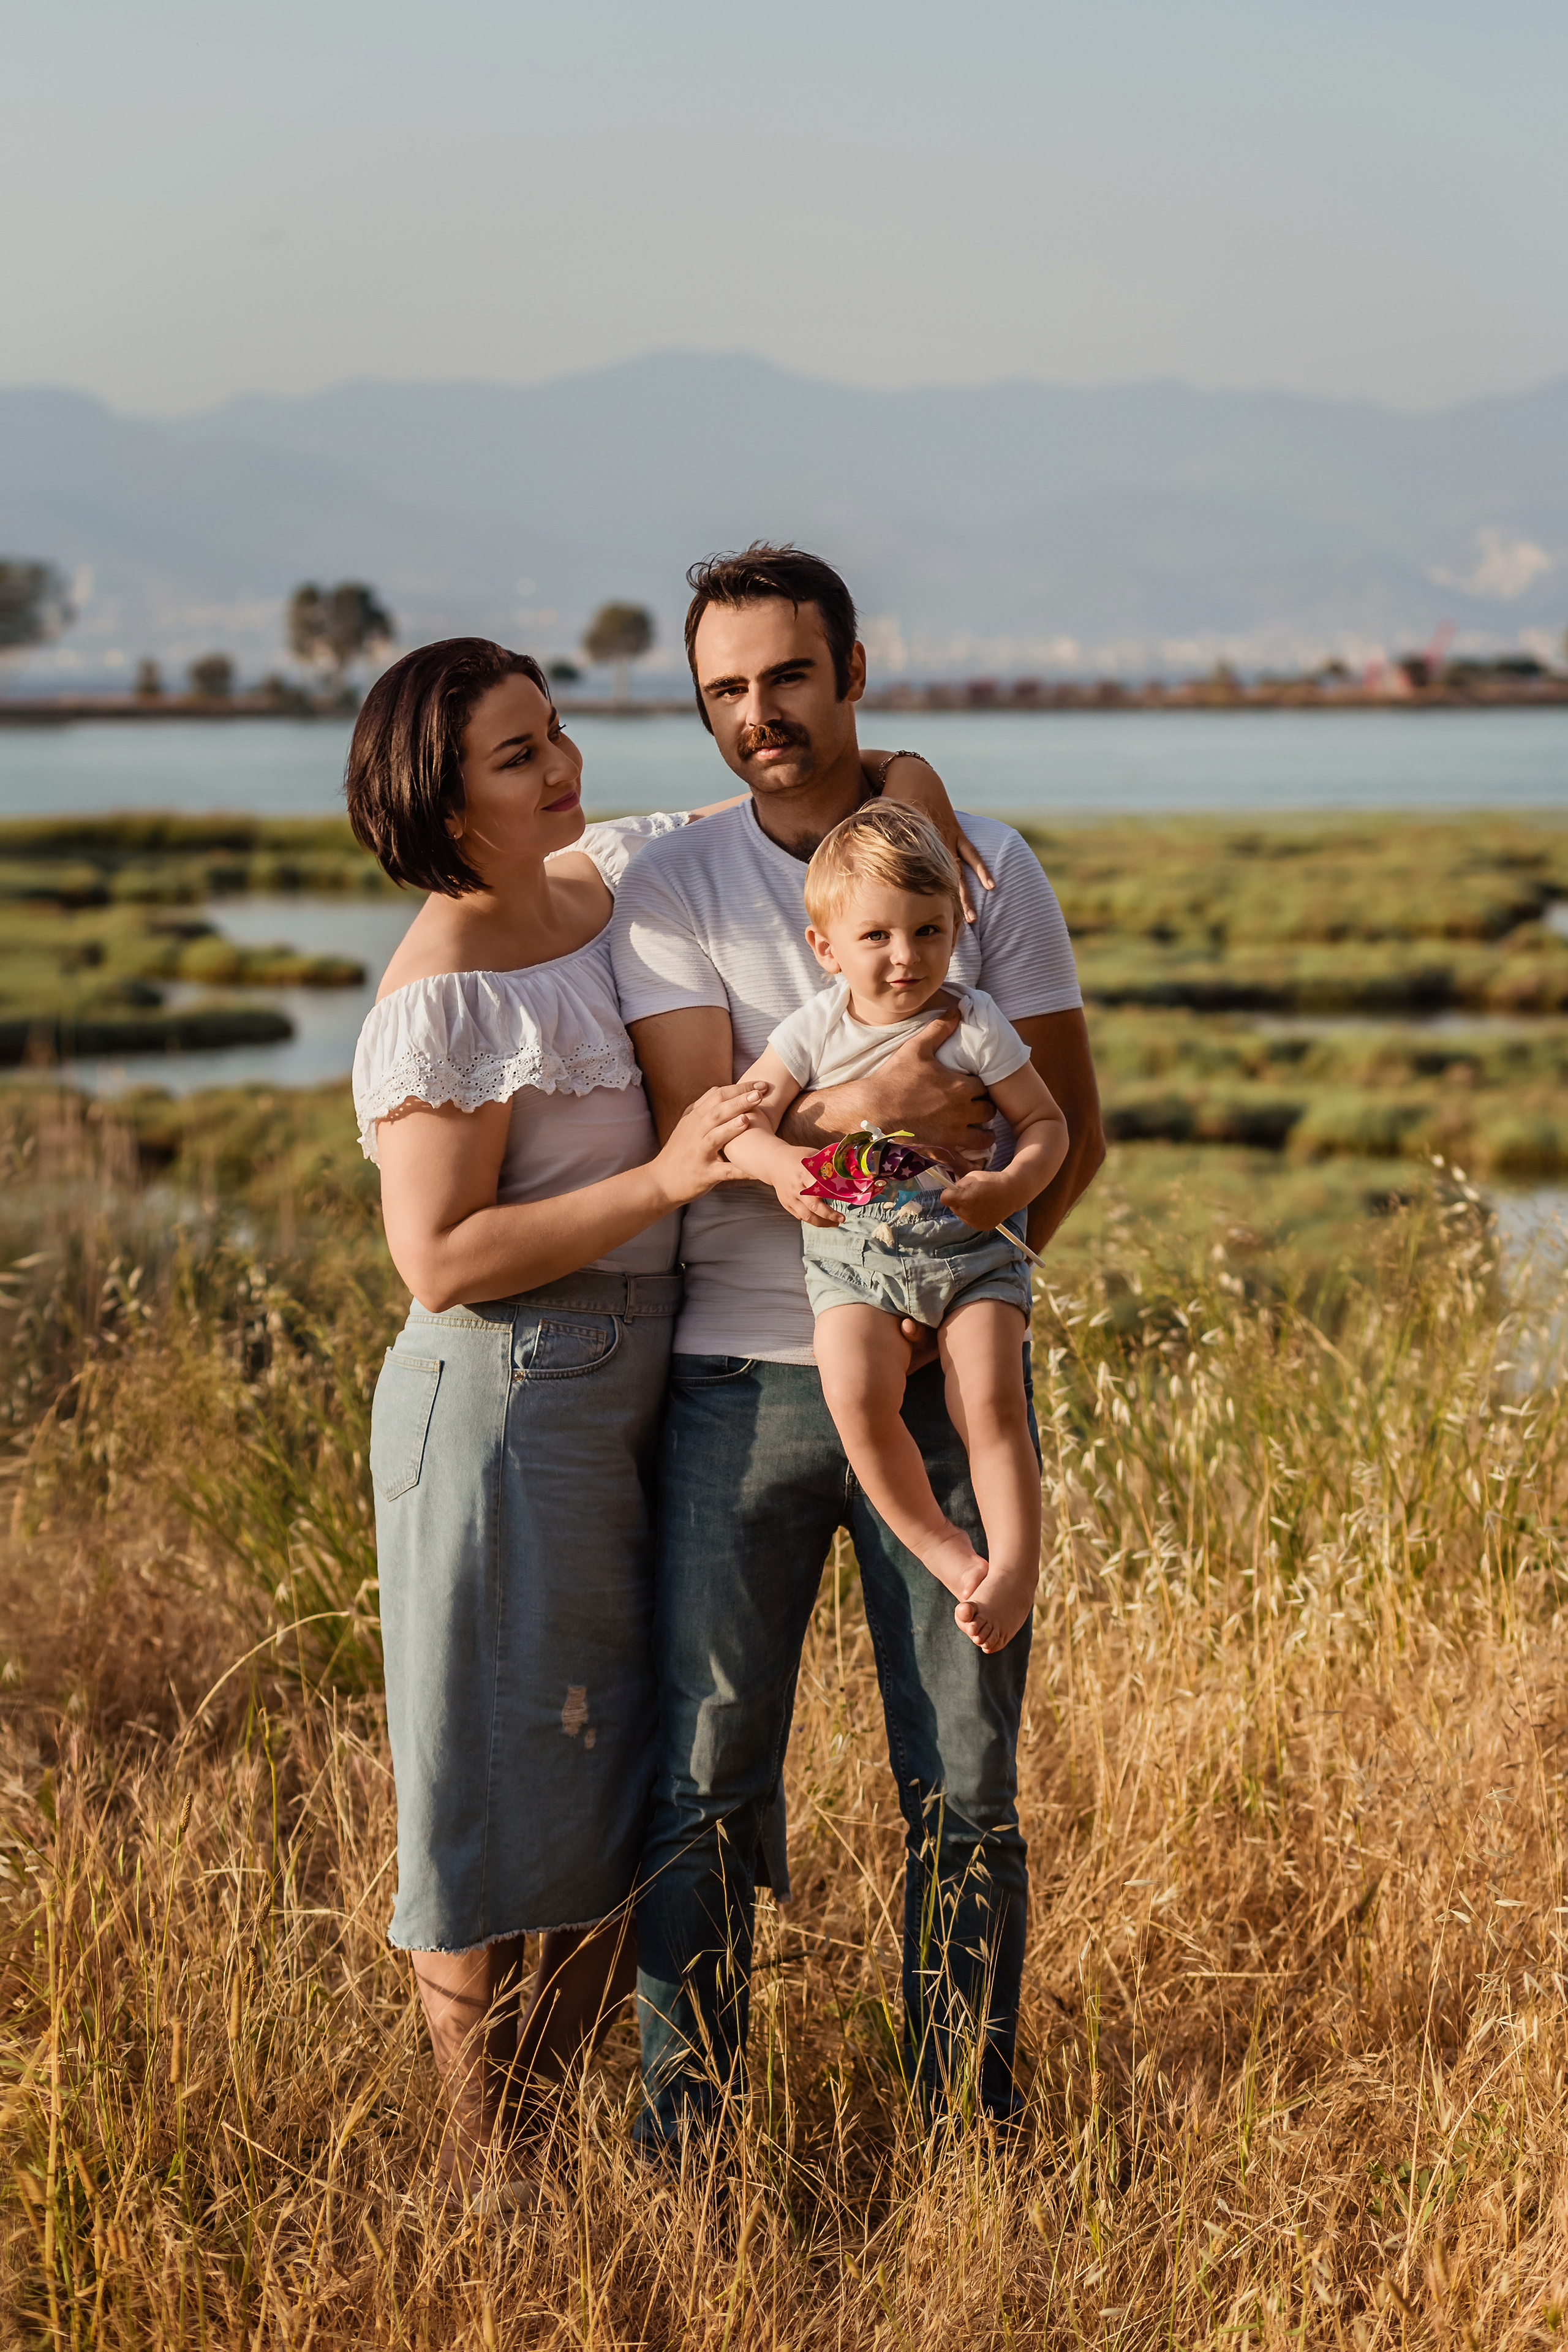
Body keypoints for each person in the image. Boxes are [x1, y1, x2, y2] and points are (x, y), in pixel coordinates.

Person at [345, 633, 982, 2198]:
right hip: (506, 1398)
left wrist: (904, 775)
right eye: (517, 756)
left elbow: (850, 802)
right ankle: (490, 2180)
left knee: (619, 1788)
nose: (564, 767)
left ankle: (563, 2156)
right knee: (498, 1794)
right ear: (440, 798)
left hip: (636, 1383)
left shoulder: (596, 876)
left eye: (556, 733)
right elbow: (436, 1261)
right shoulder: (441, 987)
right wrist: (666, 1177)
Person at [611, 543, 1106, 2155]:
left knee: (964, 1794)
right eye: (726, 692)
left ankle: (970, 2138)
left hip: (948, 1380)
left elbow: (1068, 1133)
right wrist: (856, 1116)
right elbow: (713, 1129)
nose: (763, 714)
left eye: (790, 677)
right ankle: (689, 2147)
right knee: (700, 1784)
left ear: (853, 673)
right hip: (739, 1389)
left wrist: (960, 1294)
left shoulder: (985, 865)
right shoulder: (676, 884)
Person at [724, 802, 1069, 1656]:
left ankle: (1018, 1565)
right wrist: (788, 1170)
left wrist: (1009, 1187)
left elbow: (1049, 1126)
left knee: (989, 1396)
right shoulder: (816, 1030)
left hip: (973, 1254)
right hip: (853, 1264)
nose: (907, 957)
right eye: (876, 936)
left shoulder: (974, 1022)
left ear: (957, 925)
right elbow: (739, 1126)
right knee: (855, 1395)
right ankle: (948, 1554)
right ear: (826, 948)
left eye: (929, 929)